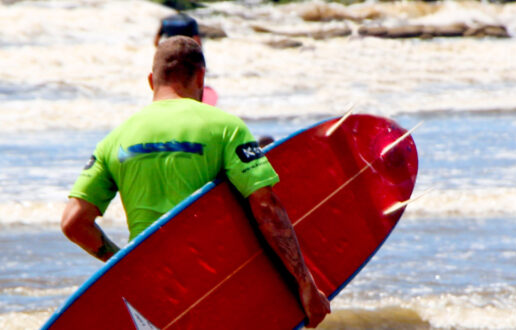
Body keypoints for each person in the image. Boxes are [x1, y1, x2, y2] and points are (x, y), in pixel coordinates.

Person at [60, 36, 330, 327]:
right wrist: (305, 283)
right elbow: (266, 206)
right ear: (201, 76)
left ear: (152, 80)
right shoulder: (225, 127)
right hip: (217, 285)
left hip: (152, 295)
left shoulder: (114, 140)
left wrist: (121, 262)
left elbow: (74, 223)